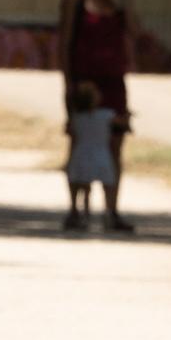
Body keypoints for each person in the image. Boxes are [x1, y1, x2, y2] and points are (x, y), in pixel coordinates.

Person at [56, 0, 141, 232]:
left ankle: (112, 210)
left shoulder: (118, 0)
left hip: (114, 80)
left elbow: (134, 31)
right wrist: (67, 82)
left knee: (115, 144)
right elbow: (65, 40)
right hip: (84, 81)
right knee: (81, 142)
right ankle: (77, 209)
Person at [63, 79, 117, 230]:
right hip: (102, 155)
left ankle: (81, 213)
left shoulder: (77, 119)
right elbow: (120, 123)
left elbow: (72, 137)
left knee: (84, 187)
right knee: (108, 185)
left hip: (82, 154)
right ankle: (108, 212)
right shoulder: (106, 115)